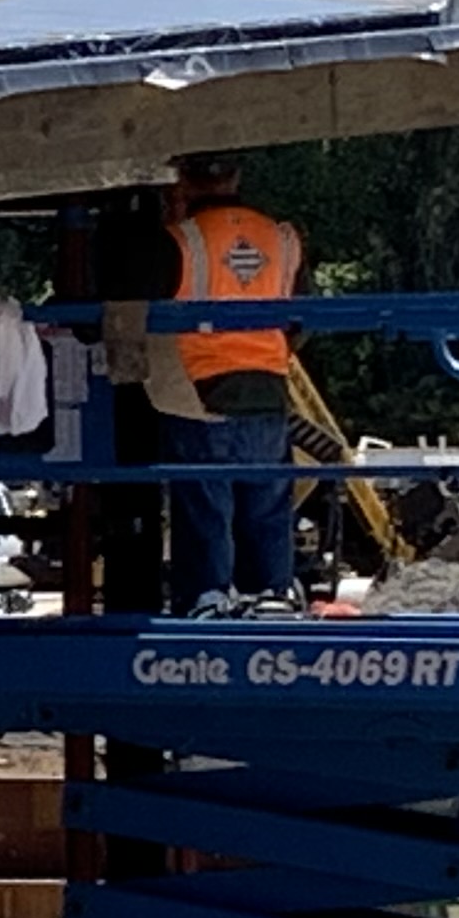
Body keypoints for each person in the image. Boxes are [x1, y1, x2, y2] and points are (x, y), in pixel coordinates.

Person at [159, 152, 305, 616]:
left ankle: (208, 598)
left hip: (199, 388)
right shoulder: (281, 238)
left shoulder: (177, 240)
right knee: (266, 503)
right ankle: (272, 595)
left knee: (206, 506)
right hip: (267, 388)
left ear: (182, 180)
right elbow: (302, 317)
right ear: (237, 176)